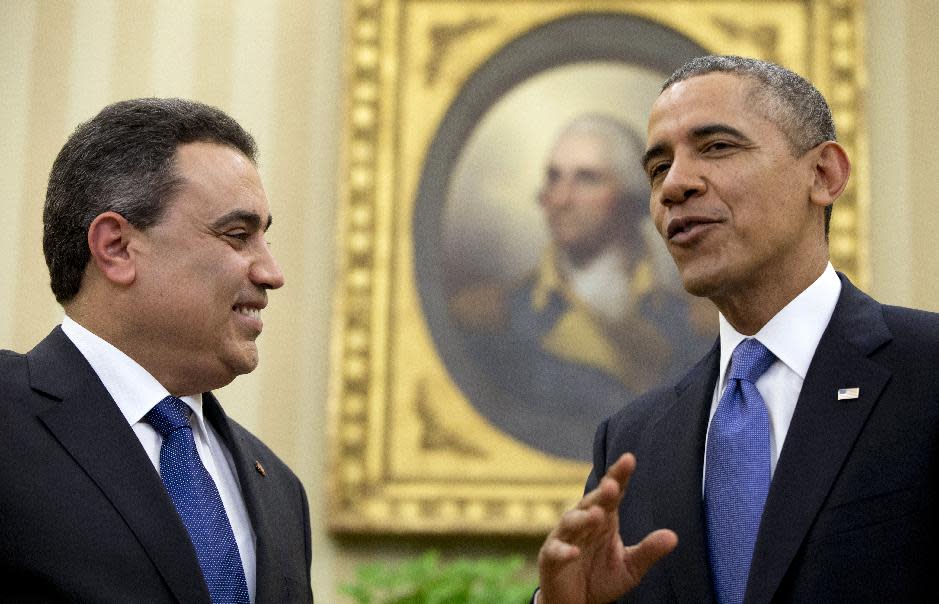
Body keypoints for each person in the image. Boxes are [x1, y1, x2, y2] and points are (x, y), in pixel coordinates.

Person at [536, 55, 939, 603]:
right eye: (657, 169)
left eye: (717, 147)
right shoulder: (632, 440)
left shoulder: (927, 371)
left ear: (823, 175)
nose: (674, 185)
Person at [0, 99, 313, 603]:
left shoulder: (280, 490)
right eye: (238, 236)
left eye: (265, 239)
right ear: (117, 248)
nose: (271, 273)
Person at [450, 115, 713, 460]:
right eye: (554, 177)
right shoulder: (488, 317)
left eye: (586, 179)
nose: (560, 198)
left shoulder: (699, 325)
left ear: (633, 199)